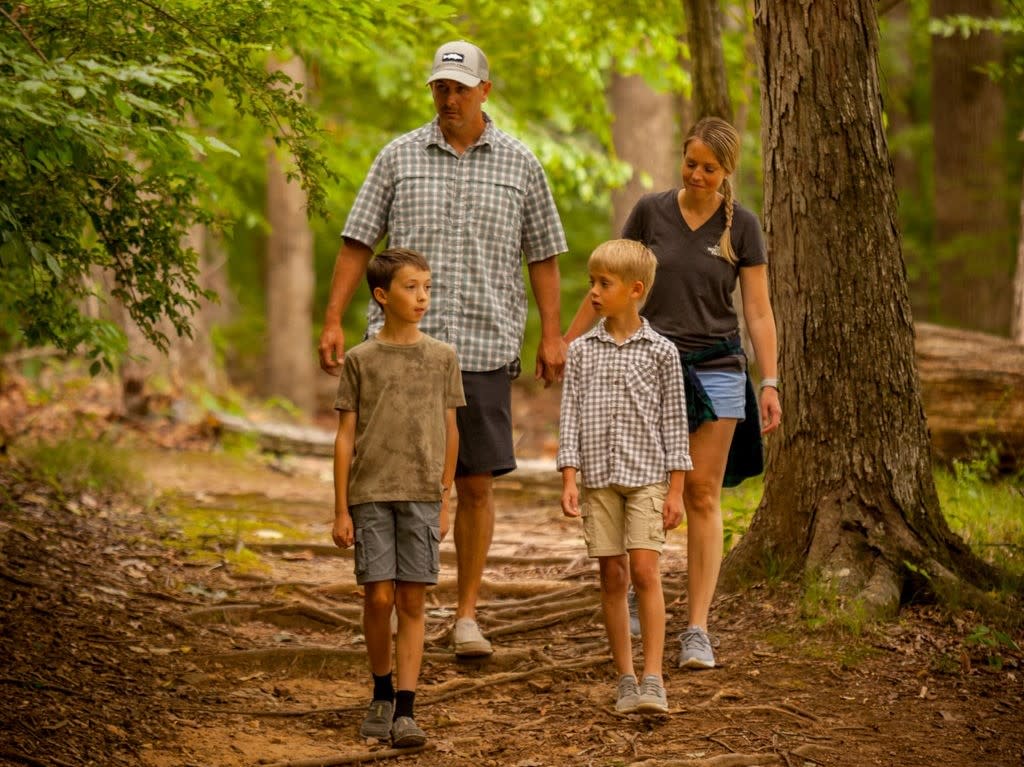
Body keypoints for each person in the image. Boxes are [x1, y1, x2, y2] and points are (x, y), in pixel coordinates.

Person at [318, 40, 568, 659]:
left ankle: (466, 615)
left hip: (482, 345)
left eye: (460, 87)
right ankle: (402, 610)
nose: (449, 98)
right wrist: (331, 321)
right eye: (440, 88)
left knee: (475, 483)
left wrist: (553, 332)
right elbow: (356, 242)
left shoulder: (521, 165)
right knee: (391, 481)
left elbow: (544, 256)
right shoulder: (398, 157)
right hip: (398, 353)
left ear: (485, 90)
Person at [565, 117, 782, 670]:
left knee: (702, 494)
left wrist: (771, 379)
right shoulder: (650, 211)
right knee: (644, 484)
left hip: (719, 368)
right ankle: (642, 589)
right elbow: (607, 285)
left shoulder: (744, 228)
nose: (698, 174)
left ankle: (697, 629)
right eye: (691, 163)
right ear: (681, 159)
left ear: (727, 171)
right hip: (646, 364)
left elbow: (757, 310)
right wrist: (566, 344)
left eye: (710, 167)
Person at [331, 248, 465, 747]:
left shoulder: (442, 358)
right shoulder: (360, 359)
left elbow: (451, 431)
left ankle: (406, 710)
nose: (422, 296)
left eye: (427, 286)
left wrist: (444, 496)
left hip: (422, 495)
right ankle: (381, 692)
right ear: (382, 295)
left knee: (412, 598)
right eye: (411, 287)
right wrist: (340, 507)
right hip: (369, 492)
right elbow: (345, 436)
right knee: (378, 595)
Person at [557, 239, 692, 713]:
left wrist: (676, 490)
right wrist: (569, 476)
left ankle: (654, 677)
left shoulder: (662, 352)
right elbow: (569, 415)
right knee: (612, 576)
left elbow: (676, 424)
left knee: (644, 570)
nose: (593, 291)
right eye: (592, 282)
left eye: (604, 284)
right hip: (597, 479)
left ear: (635, 290)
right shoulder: (581, 352)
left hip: (648, 477)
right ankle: (625, 677)